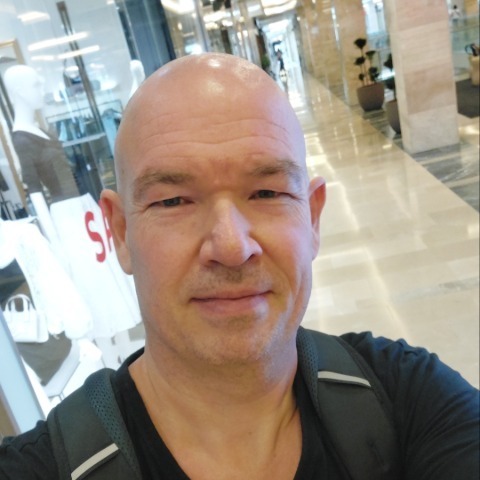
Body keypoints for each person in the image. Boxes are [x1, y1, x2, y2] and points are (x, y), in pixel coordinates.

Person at [0, 53, 478, 479]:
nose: (231, 247)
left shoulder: (411, 400)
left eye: (267, 192)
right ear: (121, 233)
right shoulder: (43, 465)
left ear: (312, 218)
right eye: (173, 200)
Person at [3, 65, 79, 204]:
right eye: (36, 86)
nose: (42, 91)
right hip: (65, 207)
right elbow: (34, 187)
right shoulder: (22, 139)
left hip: (75, 201)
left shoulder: (37, 130)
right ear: (20, 92)